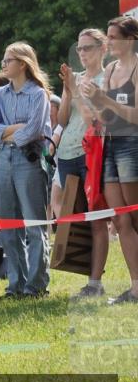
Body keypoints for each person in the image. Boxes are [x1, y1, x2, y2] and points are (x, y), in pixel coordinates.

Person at [0, 42, 52, 300]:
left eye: (7, 61)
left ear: (22, 63)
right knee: (8, 225)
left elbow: (35, 130)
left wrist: (8, 133)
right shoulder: (0, 95)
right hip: (3, 159)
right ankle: (15, 285)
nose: (3, 65)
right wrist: (14, 130)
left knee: (34, 225)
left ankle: (35, 286)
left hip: (29, 160)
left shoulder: (38, 94)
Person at [80, 16, 138, 305]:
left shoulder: (136, 68)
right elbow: (107, 115)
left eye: (114, 37)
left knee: (134, 217)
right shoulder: (112, 69)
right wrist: (94, 106)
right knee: (121, 218)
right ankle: (135, 286)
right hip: (109, 145)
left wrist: (106, 101)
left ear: (130, 39)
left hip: (131, 145)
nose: (110, 41)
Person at [58, 28, 110, 299]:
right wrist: (69, 91)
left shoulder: (107, 79)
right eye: (79, 49)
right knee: (74, 219)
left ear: (103, 49)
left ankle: (95, 283)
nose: (82, 53)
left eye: (88, 48)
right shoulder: (75, 79)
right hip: (66, 153)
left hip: (91, 153)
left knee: (97, 218)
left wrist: (76, 92)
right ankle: (85, 276)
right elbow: (63, 120)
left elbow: (95, 122)